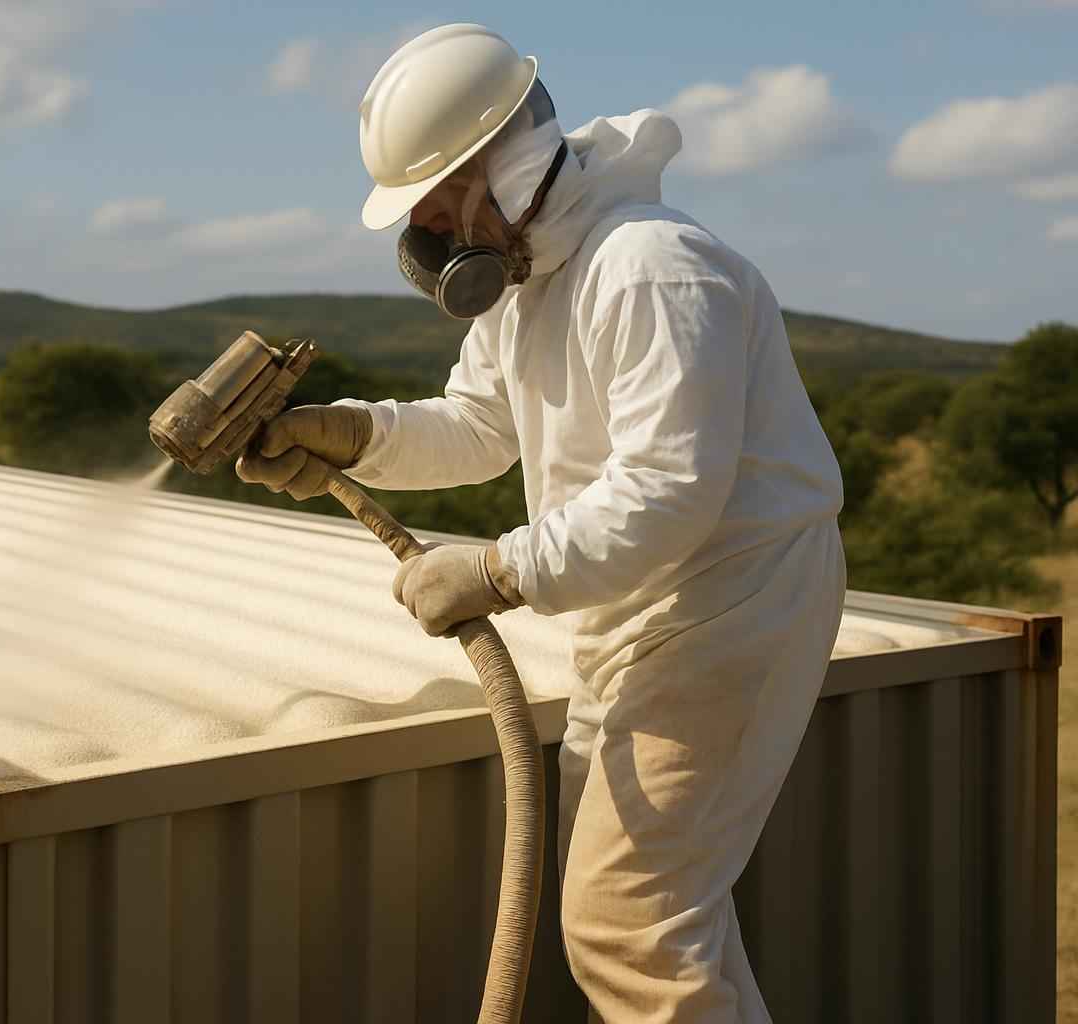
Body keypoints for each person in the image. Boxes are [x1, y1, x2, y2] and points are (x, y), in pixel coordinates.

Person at [235, 22, 847, 1024]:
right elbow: (480, 426)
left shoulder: (652, 267)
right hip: (639, 607)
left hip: (728, 602)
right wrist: (353, 434)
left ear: (501, 168)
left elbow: (668, 490)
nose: (428, 232)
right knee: (667, 921)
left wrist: (497, 572)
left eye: (435, 200)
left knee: (626, 925)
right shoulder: (524, 281)